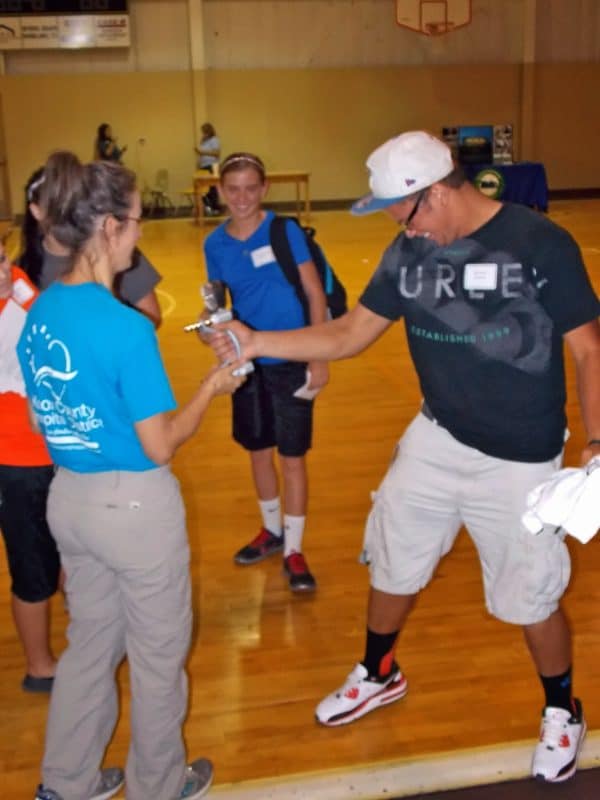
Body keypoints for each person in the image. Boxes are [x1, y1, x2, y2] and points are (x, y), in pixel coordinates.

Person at [207, 131, 600, 783]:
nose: (404, 231)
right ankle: (378, 671)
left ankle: (562, 708)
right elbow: (350, 332)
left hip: (521, 457)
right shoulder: (411, 249)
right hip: (436, 436)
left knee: (531, 597)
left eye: (405, 216)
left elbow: (589, 347)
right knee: (392, 558)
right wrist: (255, 342)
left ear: (438, 193)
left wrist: (596, 443)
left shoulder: (539, 243)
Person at [17, 151, 246, 800]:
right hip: (135, 511)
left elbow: (40, 417)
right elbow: (160, 443)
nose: (141, 233)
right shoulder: (125, 328)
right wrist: (212, 387)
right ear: (109, 227)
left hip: (70, 500)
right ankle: (158, 785)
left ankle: (66, 782)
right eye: (138, 221)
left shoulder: (41, 312)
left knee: (90, 643)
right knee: (156, 658)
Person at [202, 152, 329, 592]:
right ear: (220, 191)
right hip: (248, 365)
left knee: (292, 458)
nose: (241, 197)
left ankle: (294, 548)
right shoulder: (214, 245)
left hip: (293, 359)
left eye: (250, 188)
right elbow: (218, 306)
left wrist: (319, 355)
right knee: (258, 451)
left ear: (264, 189)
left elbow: (314, 292)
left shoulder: (283, 231)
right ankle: (271, 531)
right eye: (233, 189)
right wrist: (210, 331)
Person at [0, 240, 60, 694]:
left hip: (53, 452)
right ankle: (39, 667)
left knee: (64, 548)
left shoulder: (19, 285)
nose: (2, 273)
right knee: (31, 568)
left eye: (1, 260)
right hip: (14, 463)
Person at [21, 167, 162, 327]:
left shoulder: (116, 250)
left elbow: (152, 317)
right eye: (58, 201)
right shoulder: (21, 271)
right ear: (36, 211)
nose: (66, 207)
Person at [195, 122, 221, 215]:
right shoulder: (203, 141)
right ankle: (208, 208)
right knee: (204, 189)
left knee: (212, 188)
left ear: (209, 131)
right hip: (204, 166)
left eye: (205, 131)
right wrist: (198, 165)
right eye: (203, 132)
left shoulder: (214, 140)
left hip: (212, 165)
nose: (203, 133)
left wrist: (202, 152)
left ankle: (215, 208)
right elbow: (200, 155)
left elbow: (216, 153)